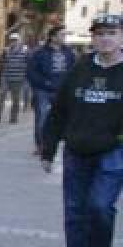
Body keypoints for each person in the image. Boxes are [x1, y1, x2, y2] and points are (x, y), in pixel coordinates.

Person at [41, 13, 123, 247]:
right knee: (75, 211)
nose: (105, 38)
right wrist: (48, 149)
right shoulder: (79, 70)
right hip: (76, 151)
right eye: (100, 33)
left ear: (121, 37)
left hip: (112, 152)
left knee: (100, 207)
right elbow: (59, 111)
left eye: (111, 33)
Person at [28, 26, 76, 156]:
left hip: (62, 91)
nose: (64, 38)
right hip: (43, 91)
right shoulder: (39, 53)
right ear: (53, 37)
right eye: (61, 35)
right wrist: (44, 83)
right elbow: (31, 72)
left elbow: (74, 70)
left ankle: (57, 143)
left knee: (63, 119)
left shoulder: (69, 53)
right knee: (42, 118)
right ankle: (41, 146)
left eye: (65, 35)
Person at [0, 33, 29, 124]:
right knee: (1, 96)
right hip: (6, 77)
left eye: (15, 40)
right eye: (12, 40)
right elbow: (0, 62)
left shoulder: (24, 51)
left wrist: (26, 77)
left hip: (18, 78)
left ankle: (13, 118)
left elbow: (28, 64)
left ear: (19, 41)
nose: (13, 42)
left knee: (16, 99)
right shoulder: (6, 51)